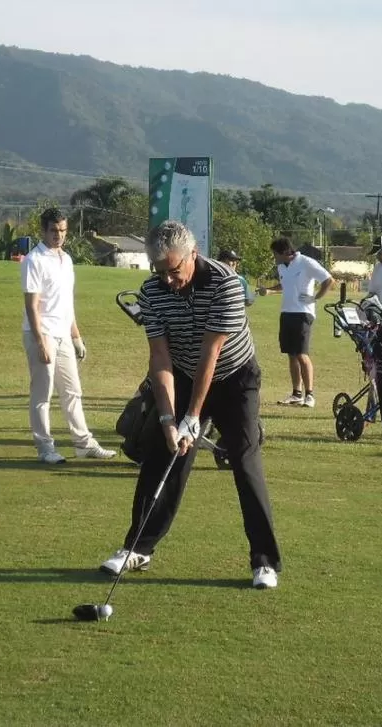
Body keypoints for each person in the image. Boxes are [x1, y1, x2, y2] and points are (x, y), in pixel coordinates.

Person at [98, 220, 282, 589]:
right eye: (159, 270)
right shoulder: (152, 291)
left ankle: (265, 561)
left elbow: (210, 355)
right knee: (161, 456)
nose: (167, 279)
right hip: (181, 372)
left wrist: (193, 417)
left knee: (244, 461)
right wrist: (169, 419)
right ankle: (138, 548)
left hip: (234, 378)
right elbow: (160, 358)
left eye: (174, 269)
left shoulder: (226, 283)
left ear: (192, 255)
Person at [22, 207, 116, 464]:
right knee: (42, 394)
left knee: (72, 391)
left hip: (63, 333)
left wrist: (76, 337)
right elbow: (32, 305)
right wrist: (41, 342)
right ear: (43, 231)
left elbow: (66, 304)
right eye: (53, 230)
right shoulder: (34, 260)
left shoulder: (67, 260)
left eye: (62, 230)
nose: (59, 235)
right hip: (41, 334)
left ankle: (83, 443)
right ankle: (45, 448)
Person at [257, 237, 333, 408]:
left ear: (285, 252)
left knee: (301, 354)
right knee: (291, 355)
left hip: (303, 314)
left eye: (275, 254)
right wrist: (269, 291)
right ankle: (296, 394)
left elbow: (328, 280)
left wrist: (315, 297)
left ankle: (310, 395)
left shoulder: (306, 262)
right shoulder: (281, 266)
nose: (274, 257)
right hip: (287, 313)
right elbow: (285, 284)